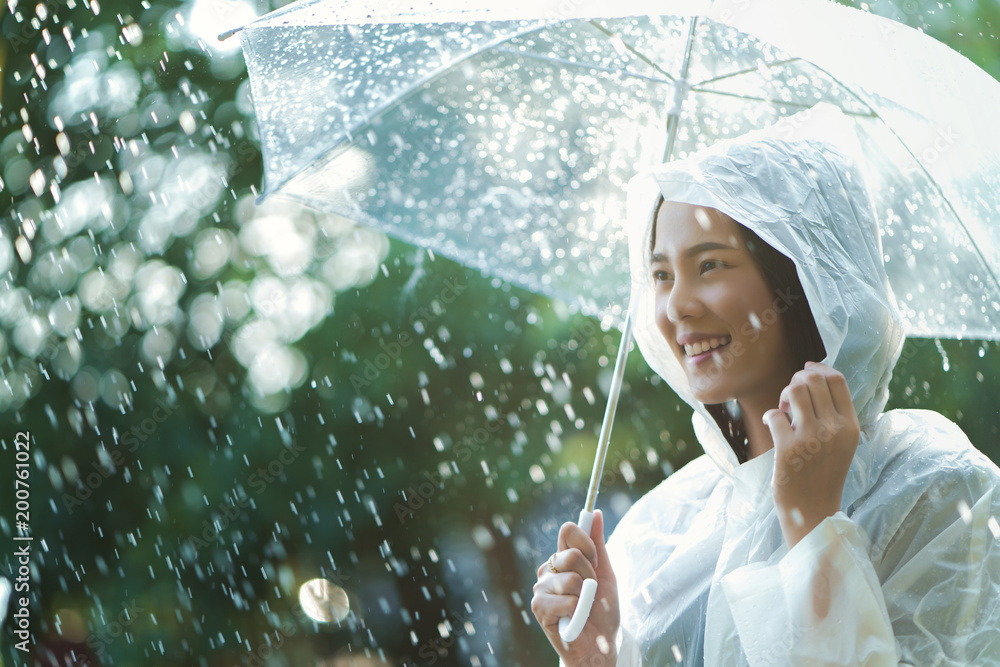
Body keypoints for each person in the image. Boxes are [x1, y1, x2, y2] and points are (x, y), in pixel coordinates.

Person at [530, 119, 1000, 666]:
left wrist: (813, 530)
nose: (677, 305)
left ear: (804, 279)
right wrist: (597, 656)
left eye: (710, 265)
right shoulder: (659, 530)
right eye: (660, 274)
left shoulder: (942, 495)